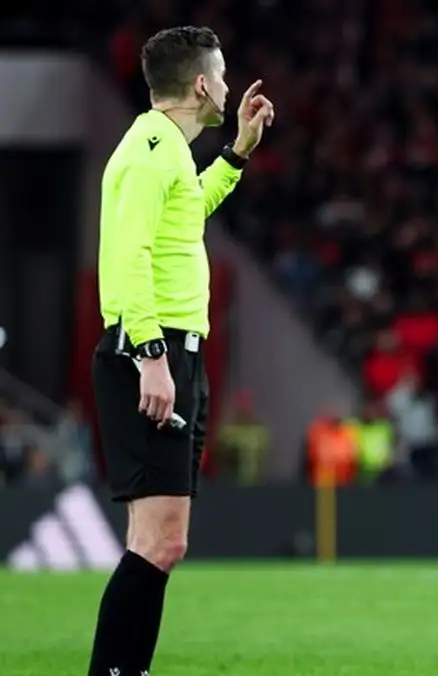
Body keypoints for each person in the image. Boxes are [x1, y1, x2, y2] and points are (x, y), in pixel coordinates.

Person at [88, 26, 274, 676]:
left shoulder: (166, 150)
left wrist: (238, 152)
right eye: (220, 76)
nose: (226, 86)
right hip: (153, 351)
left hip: (173, 352)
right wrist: (150, 355)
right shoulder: (148, 151)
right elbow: (127, 257)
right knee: (159, 543)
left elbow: (188, 213)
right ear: (200, 84)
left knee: (158, 543)